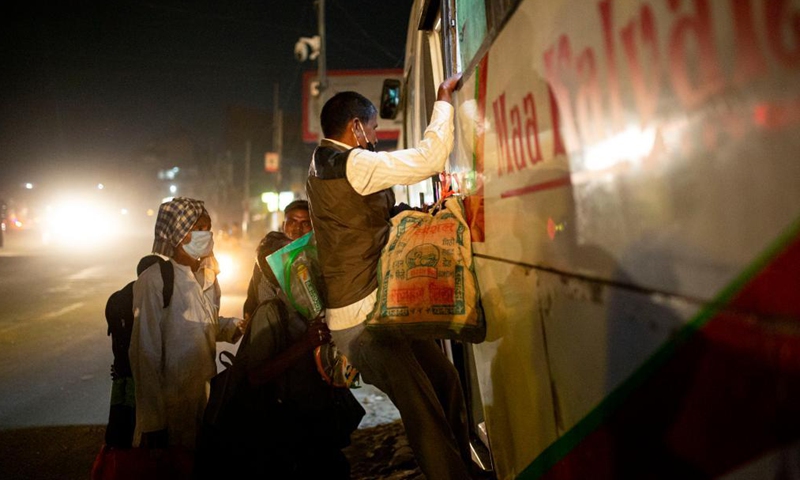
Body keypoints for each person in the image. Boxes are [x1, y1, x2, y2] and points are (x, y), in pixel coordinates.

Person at [306, 74, 478, 480]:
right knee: (423, 411)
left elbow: (365, 219)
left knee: (445, 380)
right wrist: (443, 101)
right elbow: (428, 160)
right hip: (362, 320)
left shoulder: (324, 163)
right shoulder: (354, 163)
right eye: (373, 127)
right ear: (356, 127)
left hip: (379, 309)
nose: (375, 136)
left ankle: (464, 466)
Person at [201, 198, 361, 478]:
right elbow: (257, 371)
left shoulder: (321, 266)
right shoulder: (270, 305)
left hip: (317, 393)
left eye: (304, 223)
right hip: (282, 403)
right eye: (292, 222)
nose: (297, 228)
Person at [129, 197, 246, 474]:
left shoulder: (208, 276)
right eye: (198, 227)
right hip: (168, 408)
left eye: (208, 227)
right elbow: (144, 353)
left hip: (202, 401)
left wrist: (233, 327)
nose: (206, 234)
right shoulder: (155, 280)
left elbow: (200, 325)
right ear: (178, 234)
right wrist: (153, 422)